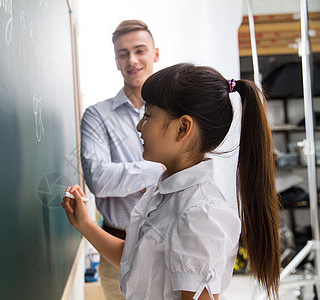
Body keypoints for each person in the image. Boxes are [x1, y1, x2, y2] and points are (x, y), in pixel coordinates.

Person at [63, 63, 280, 299]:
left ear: (183, 128)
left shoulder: (201, 214)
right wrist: (85, 224)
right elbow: (137, 262)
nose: (139, 126)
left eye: (147, 115)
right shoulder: (164, 191)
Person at [80, 20, 163, 299]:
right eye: (123, 54)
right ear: (116, 61)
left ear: (155, 54)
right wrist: (160, 169)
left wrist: (128, 177)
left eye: (140, 50)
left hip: (170, 244)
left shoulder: (177, 111)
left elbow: (195, 168)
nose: (132, 60)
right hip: (116, 244)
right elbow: (100, 181)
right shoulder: (97, 116)